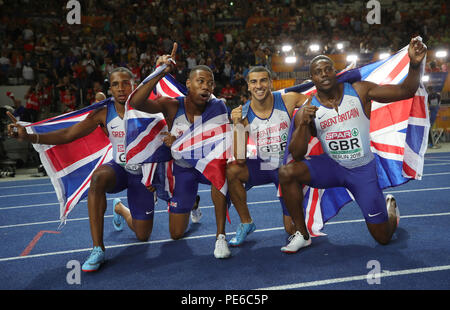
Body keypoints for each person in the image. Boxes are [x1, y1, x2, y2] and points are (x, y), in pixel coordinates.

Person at [277, 37, 427, 253]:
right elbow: (297, 154)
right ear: (313, 78)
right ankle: (302, 234)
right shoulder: (308, 109)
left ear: (334, 72)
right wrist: (302, 124)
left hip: (362, 171)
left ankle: (390, 210)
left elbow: (405, 91)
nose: (324, 74)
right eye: (318, 72)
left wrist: (414, 65)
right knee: (287, 172)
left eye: (328, 69)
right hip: (332, 167)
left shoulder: (359, 91)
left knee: (383, 238)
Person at [6, 67, 161, 272]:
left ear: (134, 84)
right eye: (115, 84)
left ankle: (120, 209)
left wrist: (158, 177)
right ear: (110, 88)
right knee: (97, 178)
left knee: (143, 236)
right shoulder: (104, 112)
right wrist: (29, 136)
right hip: (119, 170)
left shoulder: (149, 108)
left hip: (144, 175)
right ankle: (98, 248)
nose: (121, 88)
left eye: (125, 83)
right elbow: (67, 135)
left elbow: (167, 139)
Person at [129, 42, 231, 259]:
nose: (206, 87)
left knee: (222, 176)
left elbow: (224, 142)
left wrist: (180, 138)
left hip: (207, 167)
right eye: (200, 81)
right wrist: (160, 72)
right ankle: (193, 202)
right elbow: (136, 102)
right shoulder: (173, 106)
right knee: (176, 234)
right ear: (188, 84)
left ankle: (220, 237)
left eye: (210, 83)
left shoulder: (218, 107)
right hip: (183, 170)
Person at [226, 66, 308, 246]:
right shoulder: (244, 113)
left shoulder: (289, 99)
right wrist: (237, 124)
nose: (259, 86)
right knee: (232, 170)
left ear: (270, 83)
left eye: (263, 80)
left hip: (287, 167)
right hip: (264, 165)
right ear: (248, 86)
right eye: (254, 82)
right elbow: (240, 158)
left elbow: (316, 105)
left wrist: (305, 117)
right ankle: (246, 222)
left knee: (292, 230)